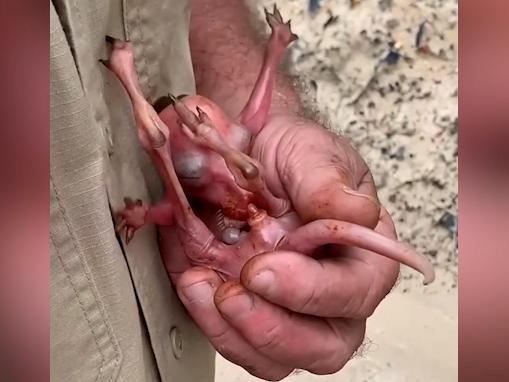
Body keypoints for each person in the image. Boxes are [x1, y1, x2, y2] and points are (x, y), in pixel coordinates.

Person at [50, 0, 399, 381]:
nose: (220, 170)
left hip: (220, 284)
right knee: (198, 224)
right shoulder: (207, 184)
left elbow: (254, 117)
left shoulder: (240, 143)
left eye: (222, 135)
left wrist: (265, 67)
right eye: (194, 168)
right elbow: (179, 205)